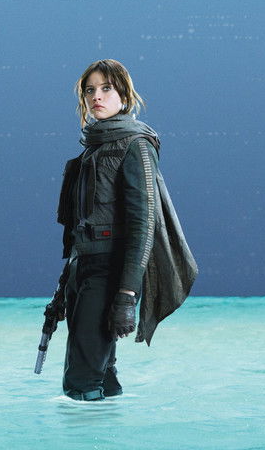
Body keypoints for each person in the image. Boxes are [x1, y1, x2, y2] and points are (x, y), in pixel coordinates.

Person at [50, 59, 197, 401]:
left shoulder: (136, 144)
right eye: (90, 90)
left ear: (125, 96)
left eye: (106, 88)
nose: (96, 96)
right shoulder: (92, 147)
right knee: (103, 375)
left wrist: (127, 295)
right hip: (84, 266)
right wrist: (67, 280)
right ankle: (108, 425)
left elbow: (143, 224)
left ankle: (83, 426)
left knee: (80, 382)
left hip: (111, 271)